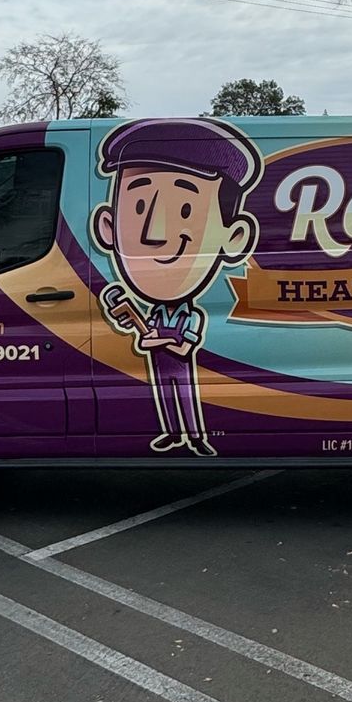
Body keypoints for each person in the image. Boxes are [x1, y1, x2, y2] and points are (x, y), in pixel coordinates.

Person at [93, 118, 262, 455]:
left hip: (177, 363)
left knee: (185, 395)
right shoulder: (154, 311)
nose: (155, 233)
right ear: (107, 227)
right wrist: (134, 323)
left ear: (234, 237)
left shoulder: (193, 315)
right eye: (140, 207)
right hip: (159, 361)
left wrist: (158, 339)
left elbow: (186, 348)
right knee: (165, 397)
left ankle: (196, 436)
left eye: (186, 210)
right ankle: (173, 434)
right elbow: (146, 335)